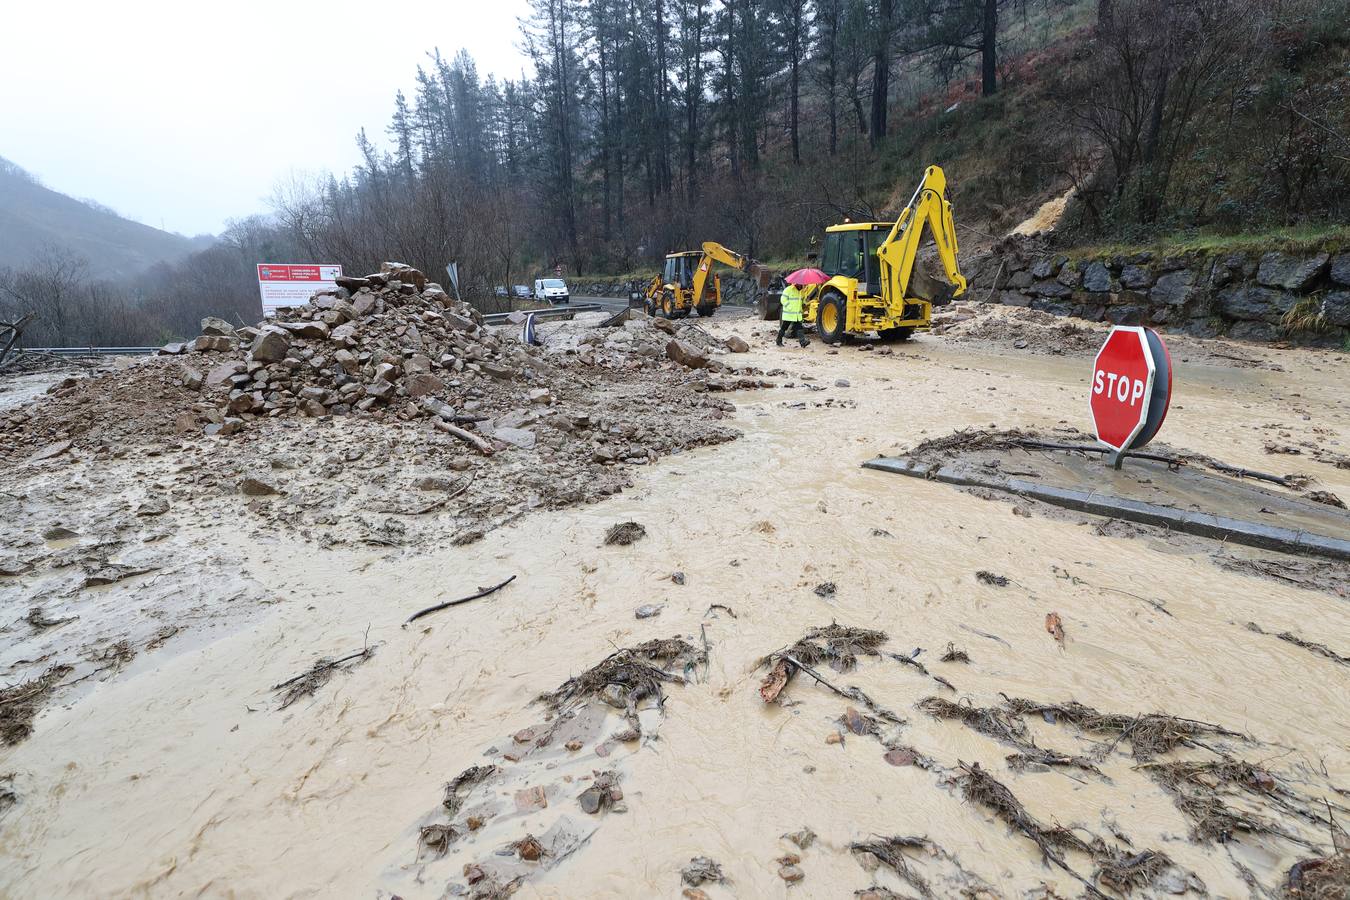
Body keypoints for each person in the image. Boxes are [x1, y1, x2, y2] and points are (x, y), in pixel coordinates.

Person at [777, 280, 809, 347]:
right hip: (789, 314)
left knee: (799, 327)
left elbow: (802, 301)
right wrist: (790, 307)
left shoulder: (801, 291)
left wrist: (805, 303)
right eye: (800, 284)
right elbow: (783, 299)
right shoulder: (788, 289)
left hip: (797, 315)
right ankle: (778, 341)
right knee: (784, 327)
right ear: (796, 283)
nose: (801, 285)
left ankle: (803, 342)